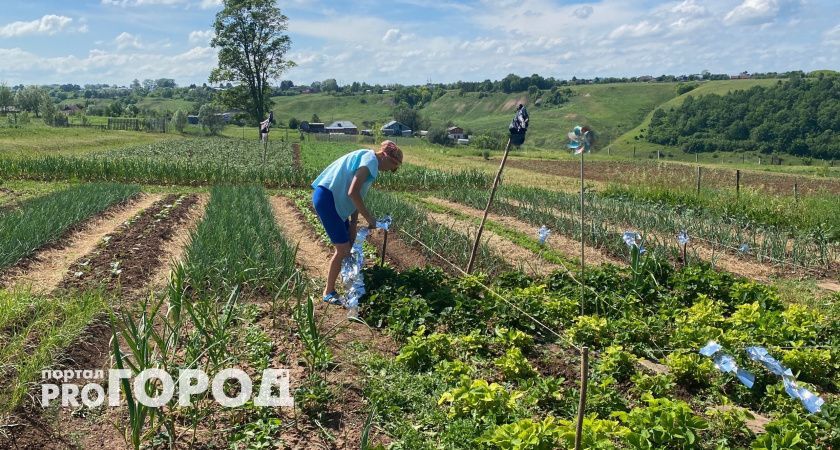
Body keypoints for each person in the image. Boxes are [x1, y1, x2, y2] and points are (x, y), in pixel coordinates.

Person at [311, 140, 403, 305]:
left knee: (347, 247)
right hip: (328, 199)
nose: (390, 170)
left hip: (333, 200)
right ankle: (328, 292)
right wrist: (370, 219)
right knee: (342, 249)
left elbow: (355, 194)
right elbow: (353, 192)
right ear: (385, 156)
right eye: (392, 166)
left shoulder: (368, 160)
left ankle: (346, 283)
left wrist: (353, 223)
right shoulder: (370, 162)